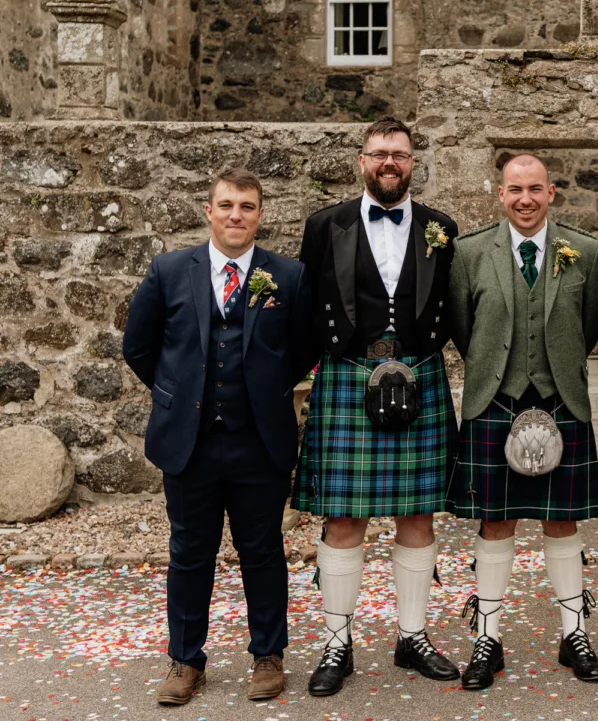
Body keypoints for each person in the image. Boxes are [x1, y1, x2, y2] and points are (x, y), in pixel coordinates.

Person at [123, 168, 314, 706]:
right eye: (227, 205)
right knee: (189, 553)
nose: (236, 215)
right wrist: (175, 396)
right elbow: (138, 346)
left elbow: (303, 349)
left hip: (260, 441)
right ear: (209, 211)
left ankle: (268, 656)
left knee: (262, 551)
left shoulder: (289, 277)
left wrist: (265, 393)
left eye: (247, 206)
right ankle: (185, 662)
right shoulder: (167, 271)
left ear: (260, 214)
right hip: (190, 442)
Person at [293, 117, 460, 696]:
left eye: (400, 154)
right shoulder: (325, 225)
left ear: (413, 163)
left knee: (418, 515)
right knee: (343, 519)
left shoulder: (442, 227)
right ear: (362, 160)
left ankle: (411, 637)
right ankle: (337, 643)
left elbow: (456, 309)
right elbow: (306, 306)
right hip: (348, 373)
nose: (390, 163)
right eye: (380, 153)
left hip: (420, 373)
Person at [446, 153, 598, 690]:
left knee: (563, 522)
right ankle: (486, 639)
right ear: (500, 192)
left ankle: (574, 634)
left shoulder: (584, 250)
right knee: (495, 523)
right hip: (494, 400)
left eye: (535, 189)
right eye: (515, 189)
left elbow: (590, 326)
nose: (525, 200)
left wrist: (554, 368)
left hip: (562, 399)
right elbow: (464, 329)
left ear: (552, 192)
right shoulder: (469, 252)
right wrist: (497, 371)